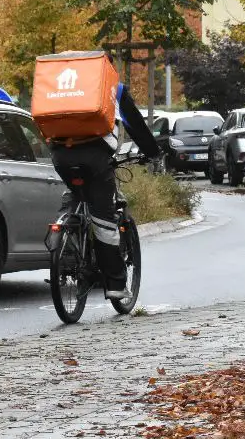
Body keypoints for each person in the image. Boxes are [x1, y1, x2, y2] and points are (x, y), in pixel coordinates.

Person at [46, 79, 161, 300]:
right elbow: (134, 123)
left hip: (60, 156)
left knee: (75, 195)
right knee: (104, 218)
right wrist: (152, 152)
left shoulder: (65, 88)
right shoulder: (114, 89)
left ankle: (65, 242)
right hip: (96, 158)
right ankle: (116, 284)